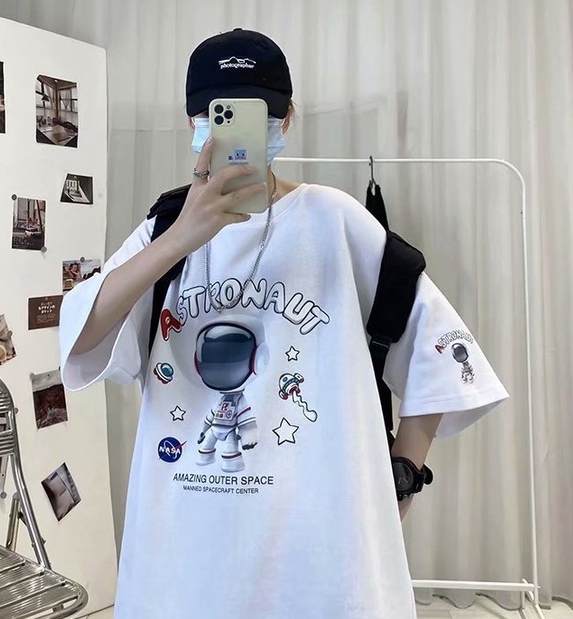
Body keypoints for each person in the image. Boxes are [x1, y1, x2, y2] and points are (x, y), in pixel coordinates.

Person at [59, 28, 508, 619]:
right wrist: (183, 236)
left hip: (319, 547)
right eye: (216, 113)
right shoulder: (164, 228)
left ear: (286, 119)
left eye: (256, 113)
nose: (232, 131)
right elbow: (81, 338)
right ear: (193, 121)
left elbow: (439, 348)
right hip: (186, 546)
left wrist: (404, 470)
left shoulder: (333, 219)